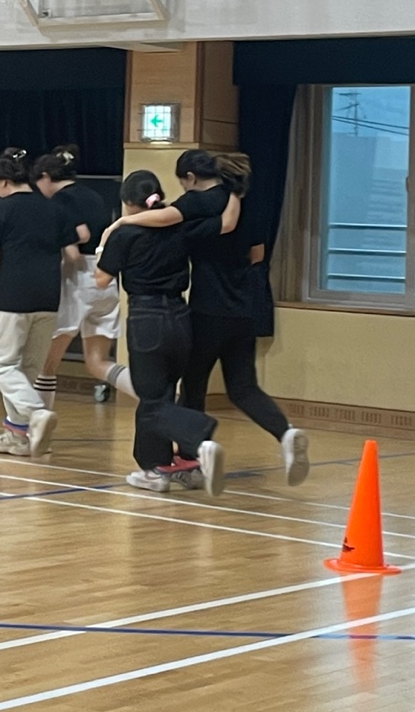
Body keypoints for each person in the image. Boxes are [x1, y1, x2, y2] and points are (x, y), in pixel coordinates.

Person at [109, 149, 310, 486]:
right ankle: (286, 433)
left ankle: (194, 456)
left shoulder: (196, 203)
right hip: (245, 308)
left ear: (190, 178)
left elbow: (163, 219)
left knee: (192, 386)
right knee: (243, 387)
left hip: (207, 309)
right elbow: (257, 255)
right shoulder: (244, 202)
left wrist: (123, 221)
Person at [95, 169, 226, 496]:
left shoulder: (125, 234)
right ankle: (176, 467)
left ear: (128, 202)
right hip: (181, 317)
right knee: (165, 393)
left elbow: (101, 279)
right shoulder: (180, 228)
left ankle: (194, 441)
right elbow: (223, 224)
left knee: (152, 400)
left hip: (147, 318)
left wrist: (104, 243)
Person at [0, 148, 79, 457]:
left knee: (3, 365)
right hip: (49, 296)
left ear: (2, 181)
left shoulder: (0, 209)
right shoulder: (54, 208)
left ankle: (36, 412)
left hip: (14, 296)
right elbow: (72, 255)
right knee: (29, 367)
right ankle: (18, 436)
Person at [32, 145, 126, 407]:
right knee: (98, 363)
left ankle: (37, 419)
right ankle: (153, 396)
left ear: (45, 177)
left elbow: (73, 250)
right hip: (106, 276)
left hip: (77, 279)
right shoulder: (94, 196)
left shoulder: (59, 202)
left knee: (46, 363)